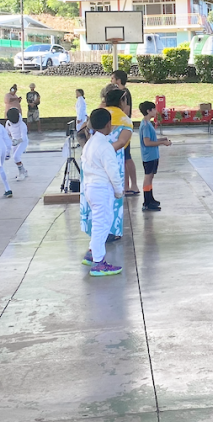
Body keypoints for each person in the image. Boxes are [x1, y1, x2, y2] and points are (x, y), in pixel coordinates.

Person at [81, 89, 132, 242]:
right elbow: (122, 142)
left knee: (93, 201)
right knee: (111, 201)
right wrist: (107, 150)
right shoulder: (125, 120)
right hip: (111, 162)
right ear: (122, 101)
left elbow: (85, 132)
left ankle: (93, 233)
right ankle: (111, 231)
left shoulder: (97, 114)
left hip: (91, 161)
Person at [80, 108, 125, 277]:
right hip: (101, 189)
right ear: (108, 125)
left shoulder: (90, 142)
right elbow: (113, 171)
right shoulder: (105, 146)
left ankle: (92, 253)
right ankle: (99, 263)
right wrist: (118, 190)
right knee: (102, 225)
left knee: (99, 223)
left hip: (90, 188)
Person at [139, 100, 172, 211]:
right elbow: (147, 142)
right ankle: (147, 202)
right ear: (149, 111)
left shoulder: (147, 124)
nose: (156, 111)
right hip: (149, 156)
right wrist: (162, 143)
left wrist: (162, 139)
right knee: (148, 177)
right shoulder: (146, 125)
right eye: (154, 109)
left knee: (151, 176)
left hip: (152, 155)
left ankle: (150, 198)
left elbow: (151, 140)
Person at [111, 70, 139, 196]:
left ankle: (134, 184)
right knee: (124, 158)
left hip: (122, 127)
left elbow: (126, 111)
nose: (111, 81)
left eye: (112, 78)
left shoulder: (124, 93)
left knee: (127, 157)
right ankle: (126, 185)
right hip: (121, 126)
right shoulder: (123, 92)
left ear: (118, 80)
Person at [5, 108, 29, 181]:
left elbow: (24, 137)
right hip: (14, 142)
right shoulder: (8, 123)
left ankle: (21, 173)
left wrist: (17, 141)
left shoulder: (22, 125)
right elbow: (7, 134)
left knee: (16, 157)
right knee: (15, 158)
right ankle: (24, 171)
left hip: (22, 142)